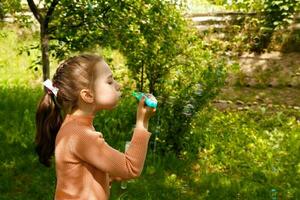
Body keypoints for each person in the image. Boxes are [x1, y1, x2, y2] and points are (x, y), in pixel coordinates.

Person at [35, 54, 156, 200]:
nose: (119, 85)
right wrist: (142, 122)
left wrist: (106, 175)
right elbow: (131, 167)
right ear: (87, 95)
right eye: (110, 82)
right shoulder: (81, 135)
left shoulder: (74, 128)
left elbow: (82, 172)